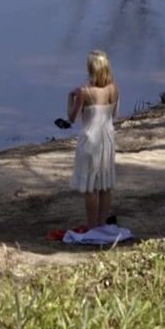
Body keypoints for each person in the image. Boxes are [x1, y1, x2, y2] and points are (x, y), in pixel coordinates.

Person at [66, 50, 119, 229]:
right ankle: (102, 224)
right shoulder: (114, 88)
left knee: (90, 186)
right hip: (107, 139)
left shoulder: (84, 91)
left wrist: (70, 98)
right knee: (105, 185)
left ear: (91, 69)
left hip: (90, 140)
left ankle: (92, 224)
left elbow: (72, 117)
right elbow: (115, 113)